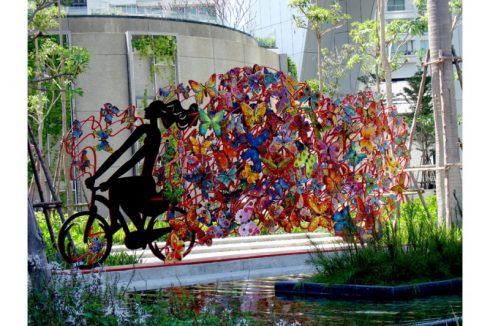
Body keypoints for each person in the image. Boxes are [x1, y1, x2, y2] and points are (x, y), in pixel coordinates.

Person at [85, 99, 197, 248]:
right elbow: (119, 153)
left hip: (145, 183)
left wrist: (107, 180)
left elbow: (130, 161)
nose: (145, 109)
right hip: (143, 181)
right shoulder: (146, 129)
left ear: (156, 114)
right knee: (121, 195)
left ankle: (118, 226)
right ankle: (136, 231)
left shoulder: (154, 134)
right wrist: (97, 176)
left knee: (115, 187)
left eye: (150, 108)